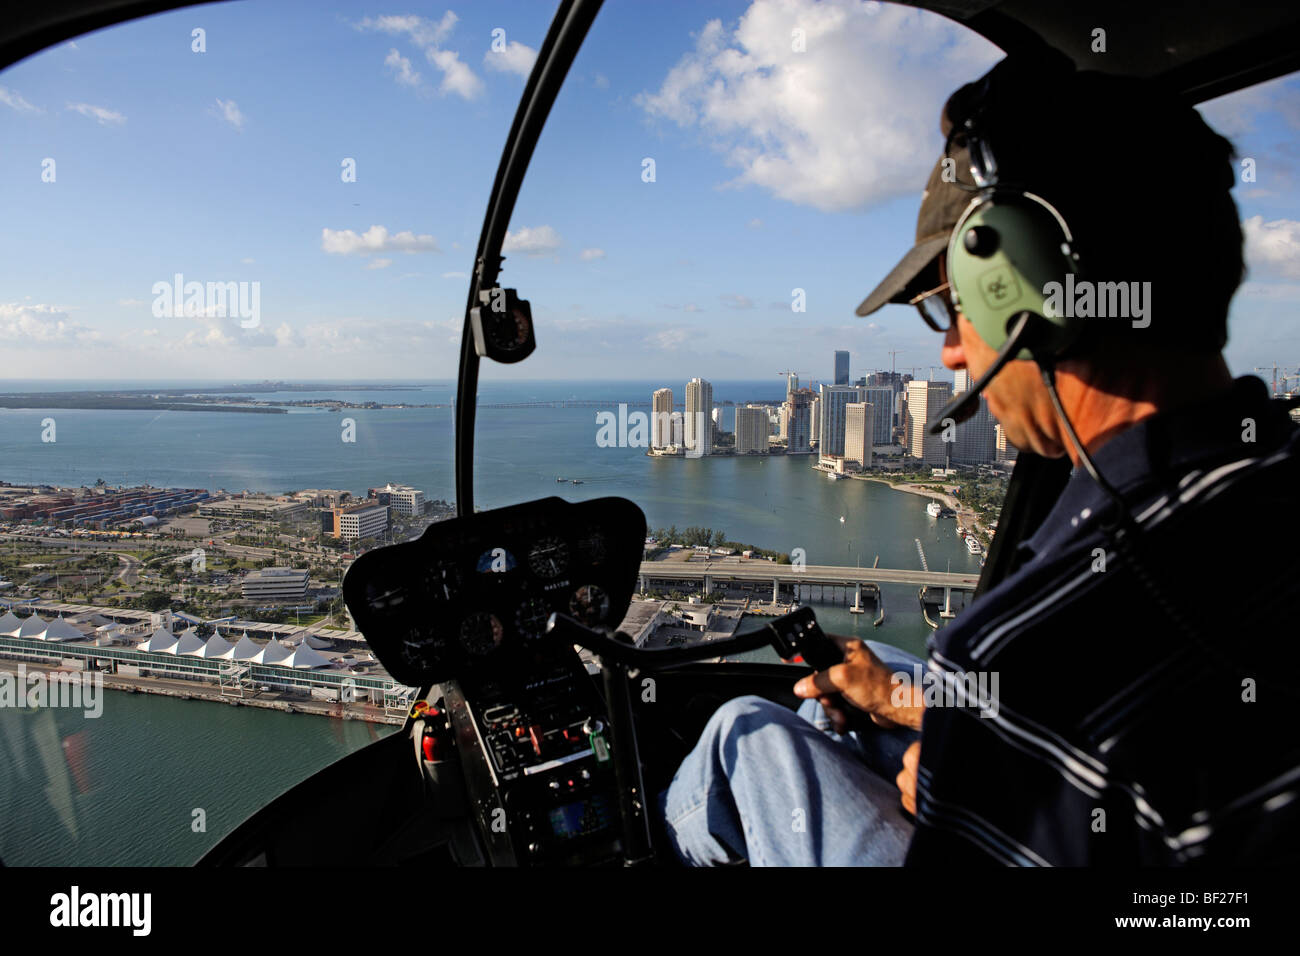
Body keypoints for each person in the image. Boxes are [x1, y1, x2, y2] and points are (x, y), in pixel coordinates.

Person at [657, 50, 1300, 866]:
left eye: (956, 308)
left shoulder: (1034, 648)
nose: (956, 353)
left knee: (740, 739)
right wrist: (947, 728)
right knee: (877, 672)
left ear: (1027, 286)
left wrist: (967, 790)